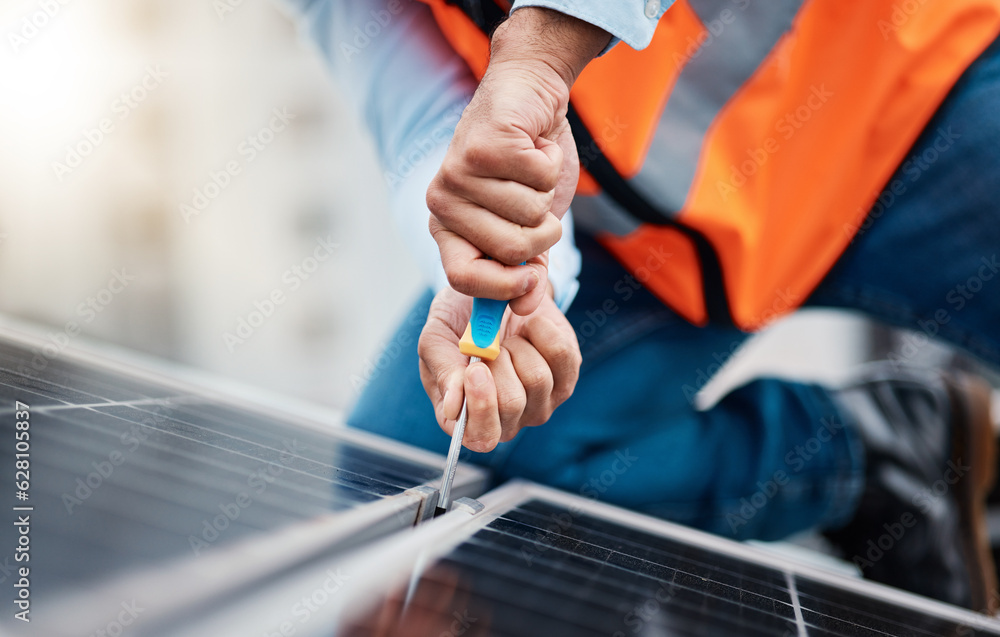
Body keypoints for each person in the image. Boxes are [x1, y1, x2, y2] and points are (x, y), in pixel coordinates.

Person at [291, 0, 1000, 611]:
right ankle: (881, 457)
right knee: (411, 477)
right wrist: (515, 259)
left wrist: (540, 56)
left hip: (909, 93)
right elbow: (419, 102)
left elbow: (529, 67)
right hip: (666, 236)